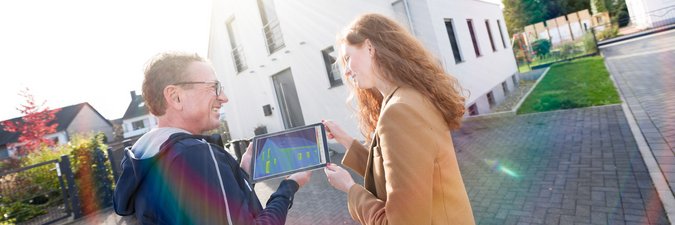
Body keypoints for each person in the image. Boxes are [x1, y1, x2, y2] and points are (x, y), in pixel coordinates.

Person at [113, 52, 311, 224]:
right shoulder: (195, 153)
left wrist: (242, 175)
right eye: (214, 87)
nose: (223, 97)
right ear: (175, 97)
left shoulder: (147, 154)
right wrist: (289, 187)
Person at [322, 14, 475, 224]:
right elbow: (396, 170)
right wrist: (345, 140)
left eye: (347, 58)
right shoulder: (406, 97)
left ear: (369, 47)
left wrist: (350, 189)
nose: (346, 71)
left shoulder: (399, 110)